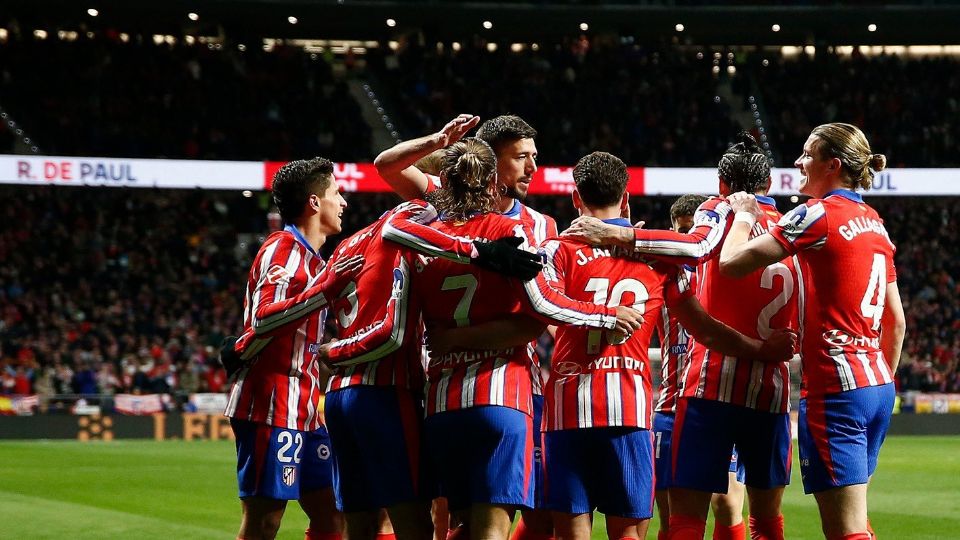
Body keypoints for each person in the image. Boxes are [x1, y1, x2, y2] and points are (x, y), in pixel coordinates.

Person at [529, 152, 795, 540]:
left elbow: (544, 307)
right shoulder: (658, 262)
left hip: (565, 409)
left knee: (571, 531)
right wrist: (759, 349)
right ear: (626, 198)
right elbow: (703, 328)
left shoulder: (556, 251)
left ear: (574, 199)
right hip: (629, 409)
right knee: (629, 533)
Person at [413, 138, 643, 540]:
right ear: (492, 182)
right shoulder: (512, 231)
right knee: (498, 527)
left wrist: (450, 339)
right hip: (500, 395)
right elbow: (542, 310)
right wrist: (606, 314)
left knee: (454, 524)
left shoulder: (421, 236)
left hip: (441, 400)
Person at [719, 123, 905, 540]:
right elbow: (898, 321)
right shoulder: (876, 222)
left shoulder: (816, 215)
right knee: (858, 518)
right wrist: (880, 380)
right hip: (877, 386)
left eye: (808, 154)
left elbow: (730, 264)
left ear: (833, 165)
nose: (799, 162)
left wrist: (744, 216)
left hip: (836, 391)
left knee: (845, 529)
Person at [315, 196, 541, 539]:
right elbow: (392, 333)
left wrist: (327, 351)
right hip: (386, 392)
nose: (345, 201)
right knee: (413, 524)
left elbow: (312, 302)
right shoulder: (407, 229)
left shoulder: (346, 245)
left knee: (358, 524)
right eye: (336, 192)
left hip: (338, 397)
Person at [376, 114, 557, 540]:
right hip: (482, 387)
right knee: (458, 516)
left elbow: (541, 315)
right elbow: (387, 167)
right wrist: (437, 141)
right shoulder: (447, 200)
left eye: (535, 157)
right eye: (521, 158)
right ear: (490, 163)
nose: (532, 168)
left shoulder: (542, 223)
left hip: (507, 381)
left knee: (528, 511)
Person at [223, 157, 362, 540]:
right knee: (264, 522)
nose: (344, 202)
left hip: (305, 408)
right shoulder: (282, 250)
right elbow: (265, 317)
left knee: (334, 514)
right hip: (271, 404)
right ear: (315, 202)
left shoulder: (314, 260)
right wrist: (327, 289)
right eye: (336, 193)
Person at [652, 194, 746, 540]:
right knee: (672, 515)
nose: (690, 241)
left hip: (716, 405)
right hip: (671, 407)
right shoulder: (662, 280)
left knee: (725, 502)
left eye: (697, 231)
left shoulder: (725, 277)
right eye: (682, 232)